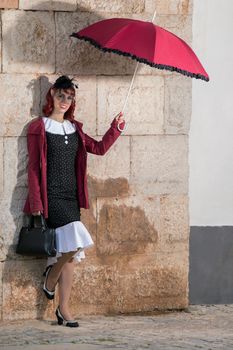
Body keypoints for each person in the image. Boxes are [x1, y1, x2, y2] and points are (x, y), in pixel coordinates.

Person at [23, 75, 125, 327]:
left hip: (71, 197)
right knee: (77, 239)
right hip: (52, 198)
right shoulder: (39, 127)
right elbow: (34, 168)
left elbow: (99, 148)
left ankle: (63, 308)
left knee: (70, 255)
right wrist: (36, 201)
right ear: (52, 96)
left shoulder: (75, 129)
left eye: (69, 97)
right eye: (61, 96)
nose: (65, 101)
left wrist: (116, 128)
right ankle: (50, 278)